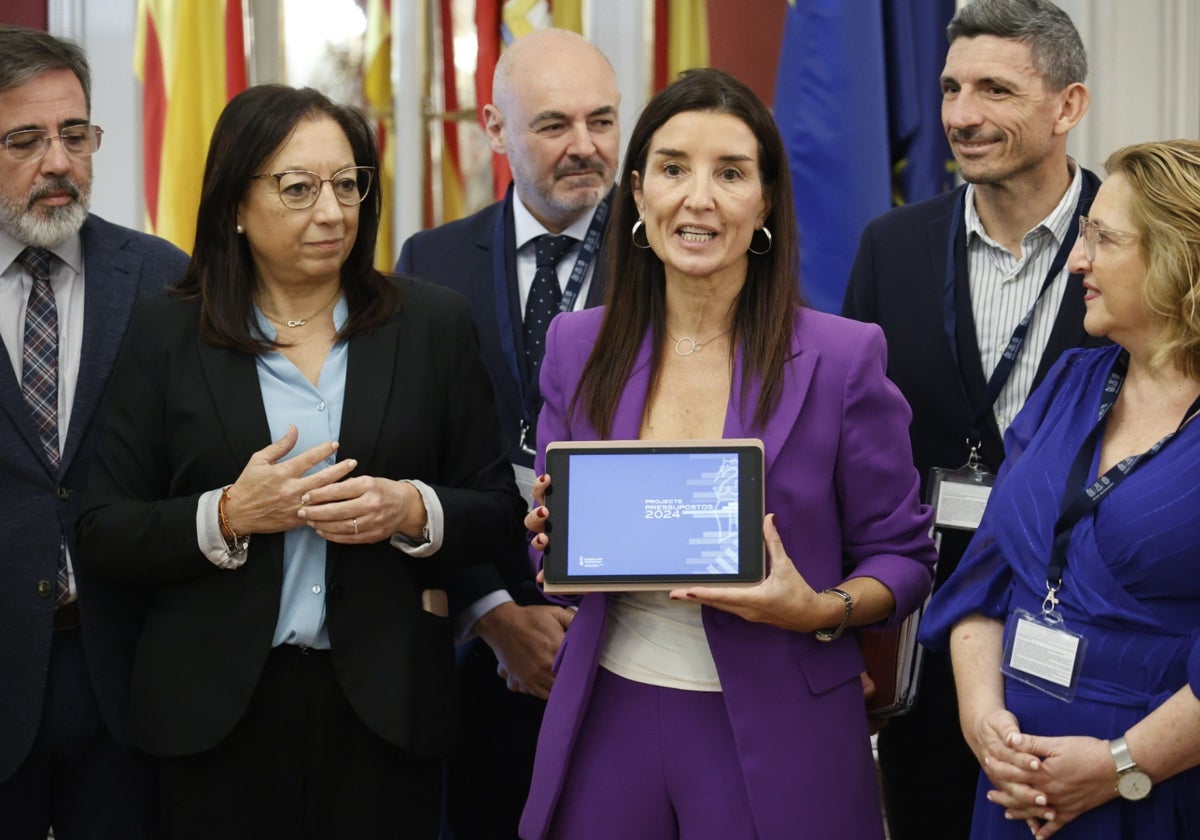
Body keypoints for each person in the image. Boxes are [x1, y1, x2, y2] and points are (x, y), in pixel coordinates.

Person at [75, 84, 526, 838]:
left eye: (348, 184)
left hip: (386, 709)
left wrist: (413, 509)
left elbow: (497, 510)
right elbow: (102, 528)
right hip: (213, 713)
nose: (331, 211)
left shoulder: (431, 324)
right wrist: (226, 515)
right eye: (299, 188)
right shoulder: (167, 332)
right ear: (234, 206)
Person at [517, 67, 937, 840]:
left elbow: (904, 558)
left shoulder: (844, 358)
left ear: (767, 200)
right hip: (608, 712)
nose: (698, 198)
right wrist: (553, 539)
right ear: (638, 193)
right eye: (674, 168)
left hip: (782, 726)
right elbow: (556, 554)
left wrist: (817, 609)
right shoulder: (576, 346)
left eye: (731, 172)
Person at [840, 2, 1102, 836]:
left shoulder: (1134, 243)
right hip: (922, 621)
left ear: (1068, 106)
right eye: (951, 87)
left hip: (1086, 626)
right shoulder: (891, 246)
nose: (961, 115)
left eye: (995, 89)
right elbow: (846, 443)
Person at [918, 139, 1200, 839]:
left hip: (1156, 793)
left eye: (1102, 238)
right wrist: (985, 727)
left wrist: (1120, 765)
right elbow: (984, 579)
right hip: (1017, 785)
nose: (1078, 259)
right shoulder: (1072, 380)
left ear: (1178, 260)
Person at [395, 27, 619, 839]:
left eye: (602, 120)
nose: (585, 147)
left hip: (632, 640)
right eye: (554, 125)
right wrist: (492, 611)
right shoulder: (431, 260)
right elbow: (414, 451)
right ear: (494, 128)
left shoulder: (669, 252)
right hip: (476, 654)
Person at [0, 25, 189, 839]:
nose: (58, 162)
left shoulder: (162, 278)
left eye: (75, 135)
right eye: (25, 140)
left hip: (127, 670)